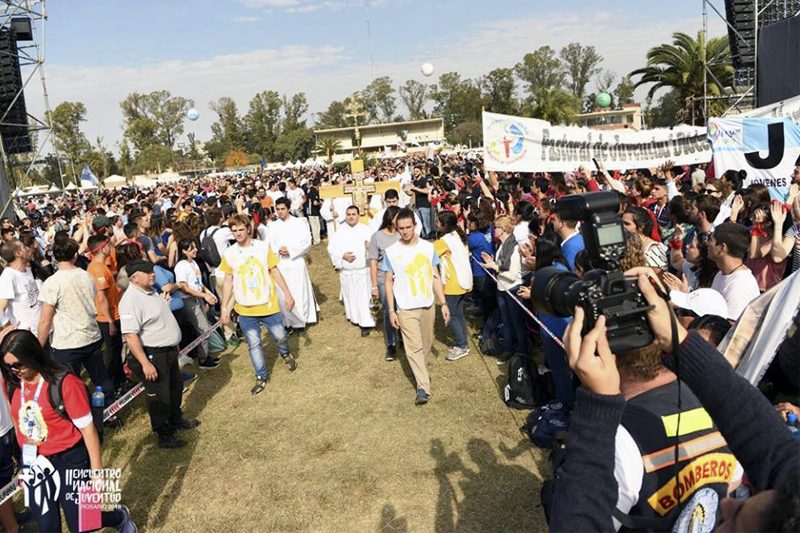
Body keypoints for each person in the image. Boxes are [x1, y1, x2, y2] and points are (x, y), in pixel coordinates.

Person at [550, 268, 800, 533]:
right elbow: (762, 435)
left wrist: (597, 409)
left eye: (737, 522)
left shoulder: (622, 441)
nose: (726, 507)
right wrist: (679, 341)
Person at [0, 329, 137, 532]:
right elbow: (15, 414)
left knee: (83, 523)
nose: (14, 370)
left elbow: (88, 430)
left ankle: (118, 517)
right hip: (35, 463)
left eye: (18, 365)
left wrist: (97, 472)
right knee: (47, 526)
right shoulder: (10, 382)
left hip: (72, 458)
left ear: (33, 356)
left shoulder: (66, 383)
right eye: (7, 366)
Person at [119, 260, 199, 449]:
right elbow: (131, 336)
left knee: (175, 387)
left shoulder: (151, 291)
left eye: (151, 270)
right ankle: (164, 434)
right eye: (146, 272)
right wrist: (145, 363)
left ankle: (176, 419)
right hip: (154, 354)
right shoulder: (130, 300)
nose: (152, 274)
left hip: (169, 351)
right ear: (134, 278)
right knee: (160, 396)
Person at [220, 214, 298, 396]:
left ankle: (285, 353)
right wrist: (225, 308)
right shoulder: (229, 253)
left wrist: (287, 293)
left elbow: (274, 270)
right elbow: (228, 280)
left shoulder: (263, 247)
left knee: (280, 336)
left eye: (241, 229)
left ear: (248, 229)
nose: (238, 233)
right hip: (245, 309)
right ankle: (261, 376)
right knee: (254, 344)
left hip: (268, 304)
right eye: (234, 230)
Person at [383, 208, 450, 405]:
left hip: (427, 303)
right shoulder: (392, 252)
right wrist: (391, 310)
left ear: (414, 225)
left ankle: (422, 374)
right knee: (413, 348)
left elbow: (435, 276)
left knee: (426, 344)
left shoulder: (428, 248)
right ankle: (423, 387)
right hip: (405, 306)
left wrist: (443, 303)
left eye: (408, 227)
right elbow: (388, 281)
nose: (404, 231)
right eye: (401, 228)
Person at [37, 232, 114, 398]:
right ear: (75, 255)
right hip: (90, 336)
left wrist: (38, 347)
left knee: (70, 385)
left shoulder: (52, 282)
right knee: (100, 378)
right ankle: (109, 411)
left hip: (66, 342)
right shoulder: (86, 276)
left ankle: (82, 414)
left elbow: (45, 320)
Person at [479, 216, 526, 364]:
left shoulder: (514, 248)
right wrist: (492, 262)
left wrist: (495, 267)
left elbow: (513, 275)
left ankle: (522, 352)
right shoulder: (501, 246)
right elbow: (500, 265)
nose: (494, 231)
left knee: (517, 323)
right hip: (502, 289)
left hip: (512, 289)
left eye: (496, 228)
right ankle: (508, 348)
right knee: (506, 322)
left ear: (503, 229)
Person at [268, 198, 318, 331]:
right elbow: (270, 243)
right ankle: (287, 321)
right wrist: (278, 250)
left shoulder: (300, 222)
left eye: (283, 209)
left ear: (289, 208)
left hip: (295, 262)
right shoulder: (273, 225)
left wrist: (290, 249)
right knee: (283, 292)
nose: (280, 212)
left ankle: (301, 320)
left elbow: (306, 241)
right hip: (280, 263)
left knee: (298, 291)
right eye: (277, 209)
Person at [86, 235, 126, 394]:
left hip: (113, 314)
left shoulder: (101, 267)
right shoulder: (97, 269)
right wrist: (110, 321)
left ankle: (120, 381)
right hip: (107, 318)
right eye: (109, 245)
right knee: (111, 353)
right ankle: (111, 387)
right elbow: (101, 297)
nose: (111, 247)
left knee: (116, 350)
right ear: (102, 248)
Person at [327, 206, 375, 336]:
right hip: (347, 272)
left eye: (354, 214)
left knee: (363, 297)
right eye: (348, 214)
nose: (351, 217)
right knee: (351, 296)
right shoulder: (339, 233)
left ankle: (366, 322)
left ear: (359, 215)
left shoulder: (367, 230)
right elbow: (332, 249)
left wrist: (369, 247)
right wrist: (342, 255)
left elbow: (375, 249)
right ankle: (354, 317)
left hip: (363, 271)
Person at [174, 238, 220, 369]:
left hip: (198, 298)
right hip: (189, 301)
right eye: (191, 249)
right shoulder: (181, 266)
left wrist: (208, 293)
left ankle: (205, 354)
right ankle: (203, 359)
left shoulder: (193, 262)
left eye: (195, 247)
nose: (195, 250)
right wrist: (204, 295)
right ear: (183, 251)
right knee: (203, 329)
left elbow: (198, 283)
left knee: (204, 329)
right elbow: (185, 288)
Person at [433, 211, 472, 361]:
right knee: (459, 313)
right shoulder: (458, 235)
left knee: (451, 314)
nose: (436, 224)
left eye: (438, 222)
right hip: (464, 281)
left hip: (453, 283)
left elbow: (429, 253)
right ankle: (461, 342)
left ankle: (461, 345)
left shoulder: (445, 240)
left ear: (445, 225)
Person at [199, 208, 238, 346]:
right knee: (230, 304)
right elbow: (239, 234)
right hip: (228, 273)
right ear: (220, 218)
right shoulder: (224, 232)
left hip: (214, 273)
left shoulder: (203, 233)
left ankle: (230, 332)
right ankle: (230, 332)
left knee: (224, 303)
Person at [707, 223, 761, 320]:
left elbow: (729, 329)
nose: (707, 243)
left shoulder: (740, 285)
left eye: (710, 239)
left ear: (722, 248)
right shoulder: (721, 273)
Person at [368, 206, 401, 361]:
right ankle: (391, 344)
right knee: (389, 310)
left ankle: (403, 336)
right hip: (383, 279)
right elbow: (373, 262)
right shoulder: (377, 237)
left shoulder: (402, 234)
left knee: (403, 308)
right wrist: (374, 286)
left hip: (401, 278)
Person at [0, 238, 42, 332]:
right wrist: (8, 328)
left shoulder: (28, 270)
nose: (28, 249)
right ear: (18, 254)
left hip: (42, 331)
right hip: (28, 336)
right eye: (24, 247)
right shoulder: (8, 276)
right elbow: (0, 308)